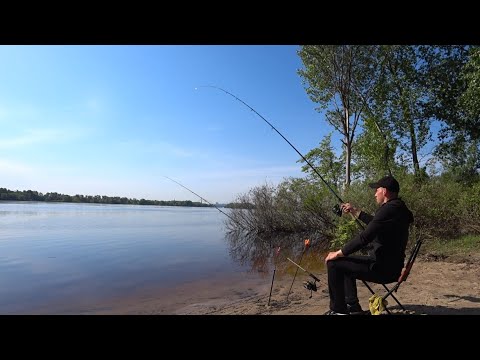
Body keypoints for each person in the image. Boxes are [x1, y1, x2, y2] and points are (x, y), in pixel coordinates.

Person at [323, 175, 414, 315]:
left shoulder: (388, 209)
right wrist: (355, 211)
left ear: (384, 191)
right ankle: (353, 307)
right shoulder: (398, 208)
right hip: (391, 265)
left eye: (376, 190)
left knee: (334, 263)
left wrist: (338, 252)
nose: (375, 193)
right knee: (345, 262)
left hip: (383, 269)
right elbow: (376, 223)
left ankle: (338, 310)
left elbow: (364, 237)